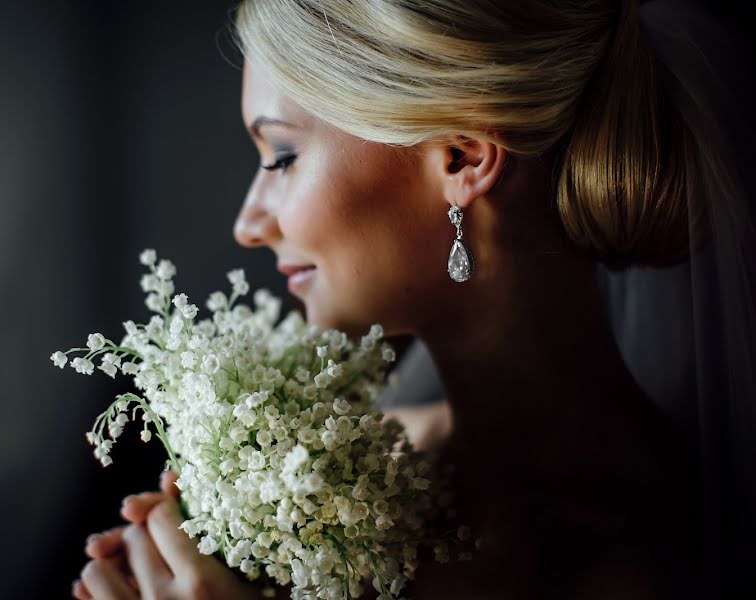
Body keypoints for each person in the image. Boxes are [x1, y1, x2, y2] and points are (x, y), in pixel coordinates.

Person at [73, 0, 756, 598]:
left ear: (462, 158)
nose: (248, 224)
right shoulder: (344, 477)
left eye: (282, 157)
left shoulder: (642, 562)